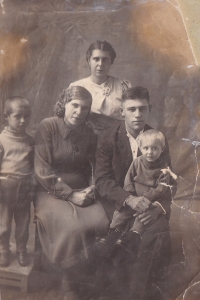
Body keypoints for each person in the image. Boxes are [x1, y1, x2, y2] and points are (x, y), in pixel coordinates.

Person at [95, 86, 172, 300]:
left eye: (142, 109)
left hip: (150, 205)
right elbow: (102, 180)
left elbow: (169, 181)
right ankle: (114, 290)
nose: (137, 114)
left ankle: (137, 293)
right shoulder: (108, 138)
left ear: (149, 109)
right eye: (132, 109)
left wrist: (158, 209)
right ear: (122, 112)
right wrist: (129, 199)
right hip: (119, 202)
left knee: (154, 231)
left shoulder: (157, 139)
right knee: (119, 239)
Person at [34, 86, 110, 300]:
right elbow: (42, 170)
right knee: (73, 228)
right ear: (63, 105)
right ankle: (70, 283)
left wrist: (93, 186)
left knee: (103, 223)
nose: (78, 111)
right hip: (50, 191)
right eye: (74, 105)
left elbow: (95, 165)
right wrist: (70, 195)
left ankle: (90, 278)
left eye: (84, 108)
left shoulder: (88, 133)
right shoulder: (47, 126)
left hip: (83, 188)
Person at [110, 129, 176, 234]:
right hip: (134, 198)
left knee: (142, 220)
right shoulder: (137, 162)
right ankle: (112, 233)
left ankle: (132, 237)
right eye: (146, 148)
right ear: (140, 148)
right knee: (120, 214)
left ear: (162, 149)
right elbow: (129, 179)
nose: (150, 152)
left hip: (150, 201)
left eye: (154, 148)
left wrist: (147, 199)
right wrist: (131, 195)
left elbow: (161, 189)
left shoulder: (164, 169)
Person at [0, 97, 36, 267]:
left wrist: (32, 186)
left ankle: (22, 249)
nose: (23, 120)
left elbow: (34, 165)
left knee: (23, 222)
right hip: (4, 187)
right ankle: (3, 250)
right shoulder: (1, 140)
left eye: (27, 116)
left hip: (24, 186)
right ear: (6, 116)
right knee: (4, 223)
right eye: (18, 116)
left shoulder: (30, 140)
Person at [70, 40, 131, 134]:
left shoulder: (123, 86)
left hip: (117, 138)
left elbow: (131, 116)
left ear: (111, 62)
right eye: (96, 59)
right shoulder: (77, 86)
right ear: (89, 61)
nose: (101, 64)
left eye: (105, 59)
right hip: (85, 138)